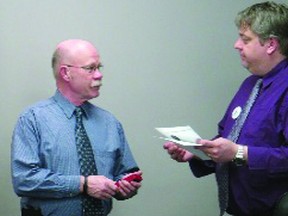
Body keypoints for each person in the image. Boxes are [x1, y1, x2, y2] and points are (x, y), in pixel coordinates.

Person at [163, 2, 288, 216]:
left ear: (271, 45)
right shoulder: (250, 85)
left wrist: (239, 153)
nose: (236, 45)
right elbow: (227, 138)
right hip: (236, 209)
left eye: (245, 39)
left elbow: (238, 151)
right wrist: (196, 153)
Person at [11, 39, 142, 216]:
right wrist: (83, 184)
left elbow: (124, 173)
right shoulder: (33, 119)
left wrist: (125, 186)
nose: (99, 75)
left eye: (99, 68)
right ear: (66, 73)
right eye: (90, 68)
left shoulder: (110, 123)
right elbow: (24, 180)